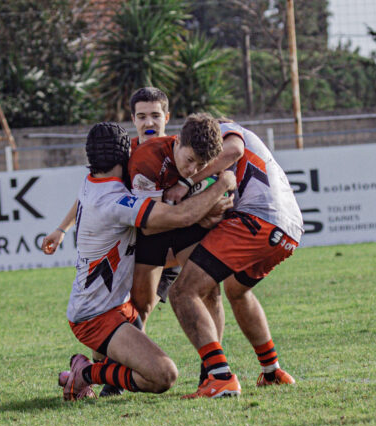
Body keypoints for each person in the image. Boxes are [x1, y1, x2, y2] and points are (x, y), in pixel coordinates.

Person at [59, 121, 235, 400]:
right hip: (95, 316)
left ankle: (93, 370)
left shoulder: (92, 183)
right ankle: (85, 374)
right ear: (126, 155)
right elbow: (179, 217)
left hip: (112, 306)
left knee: (142, 358)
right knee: (163, 375)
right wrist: (223, 183)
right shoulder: (117, 202)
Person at [168, 114, 304, 398]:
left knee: (183, 291)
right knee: (236, 290)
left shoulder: (226, 130)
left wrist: (186, 182)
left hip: (258, 220)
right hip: (288, 232)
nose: (200, 165)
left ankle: (220, 377)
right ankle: (272, 371)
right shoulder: (237, 156)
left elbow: (233, 151)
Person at [41, 87, 171, 255]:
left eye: (155, 116)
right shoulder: (123, 152)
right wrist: (62, 229)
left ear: (166, 118)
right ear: (133, 119)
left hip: (174, 237)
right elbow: (92, 193)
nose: (149, 123)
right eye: (142, 117)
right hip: (136, 246)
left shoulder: (179, 153)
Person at [126, 115, 228, 327]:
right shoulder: (147, 159)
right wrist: (202, 210)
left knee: (209, 291)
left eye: (201, 165)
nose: (193, 170)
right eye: (189, 160)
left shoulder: (204, 160)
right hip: (152, 231)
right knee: (140, 307)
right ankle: (134, 348)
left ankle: (215, 350)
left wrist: (218, 194)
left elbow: (235, 153)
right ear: (178, 140)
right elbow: (150, 227)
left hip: (186, 224)